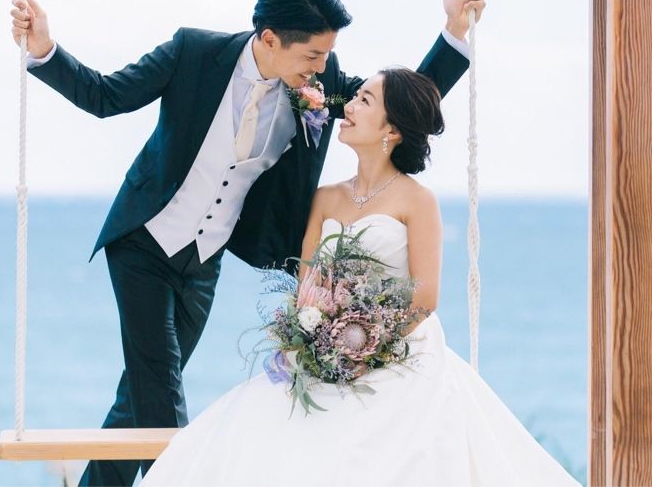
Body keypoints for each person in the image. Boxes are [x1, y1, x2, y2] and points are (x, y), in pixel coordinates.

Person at [9, 0, 485, 486]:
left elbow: (401, 107)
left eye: (327, 55)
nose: (322, 68)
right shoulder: (193, 53)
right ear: (270, 40)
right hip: (144, 241)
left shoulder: (316, 81)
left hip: (203, 261)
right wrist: (45, 50)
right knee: (160, 385)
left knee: (139, 399)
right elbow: (106, 96)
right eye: (313, 55)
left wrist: (454, 32)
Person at [139, 68, 580, 487]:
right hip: (323, 353)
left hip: (399, 355)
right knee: (249, 434)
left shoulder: (418, 201)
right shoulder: (326, 198)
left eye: (364, 100)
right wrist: (317, 340)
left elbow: (425, 297)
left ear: (392, 130)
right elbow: (307, 285)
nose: (348, 106)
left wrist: (365, 347)